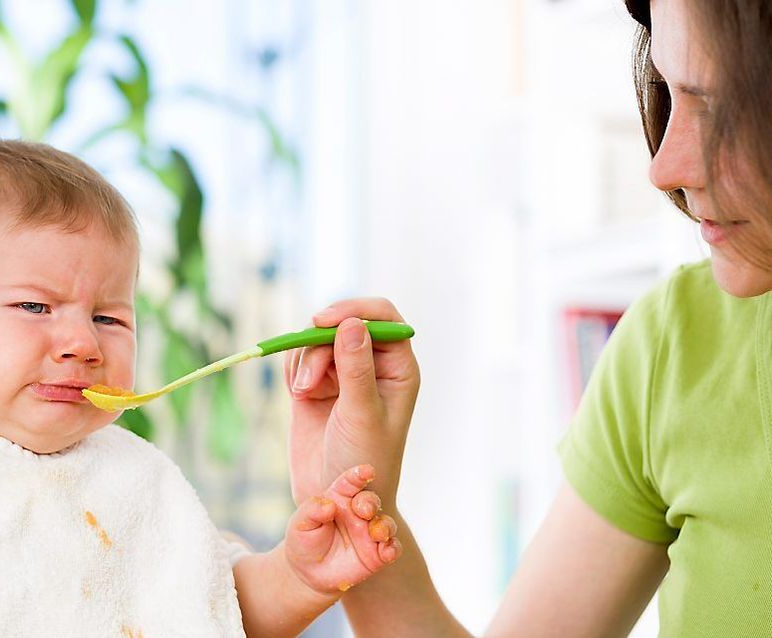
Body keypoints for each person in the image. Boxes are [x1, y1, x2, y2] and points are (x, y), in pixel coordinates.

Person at [0, 139, 402, 637]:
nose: (83, 343)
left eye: (109, 317)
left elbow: (212, 603)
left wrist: (297, 574)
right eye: (36, 308)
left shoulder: (135, 479)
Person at [283, 0, 772, 635]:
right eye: (670, 94)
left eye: (712, 108)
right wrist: (357, 507)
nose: (664, 168)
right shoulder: (671, 347)